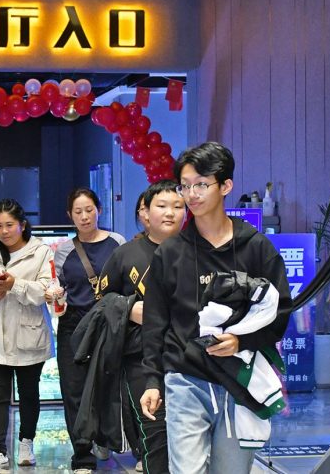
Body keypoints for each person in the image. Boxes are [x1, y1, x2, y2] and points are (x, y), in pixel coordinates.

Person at [139, 142, 292, 474]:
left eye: (202, 185)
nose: (191, 195)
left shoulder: (256, 248)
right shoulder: (170, 253)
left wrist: (242, 342)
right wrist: (152, 381)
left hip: (240, 381)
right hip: (185, 378)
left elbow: (280, 313)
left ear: (225, 186)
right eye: (185, 185)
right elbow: (155, 323)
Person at [97, 181, 186, 474]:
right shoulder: (126, 254)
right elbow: (103, 297)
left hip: (191, 359)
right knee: (155, 434)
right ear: (145, 212)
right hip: (140, 358)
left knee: (188, 437)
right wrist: (127, 307)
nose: (171, 213)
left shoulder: (198, 252)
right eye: (162, 206)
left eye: (178, 206)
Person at [0, 199, 54, 474]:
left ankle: (26, 443)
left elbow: (47, 289)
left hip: (28, 333)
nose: (4, 231)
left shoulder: (40, 252)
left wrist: (15, 285)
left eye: (10, 225)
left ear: (22, 225)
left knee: (29, 393)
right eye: (0, 226)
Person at [50, 188, 125, 473]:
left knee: (108, 386)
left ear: (99, 210)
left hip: (108, 324)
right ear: (70, 215)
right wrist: (54, 294)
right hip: (74, 325)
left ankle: (104, 437)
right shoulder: (63, 251)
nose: (84, 216)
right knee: (74, 390)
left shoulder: (117, 243)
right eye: (78, 212)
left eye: (89, 210)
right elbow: (59, 289)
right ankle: (82, 453)